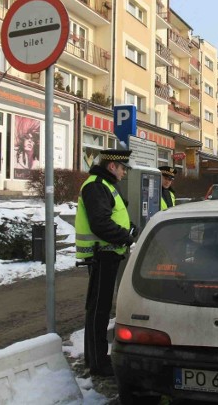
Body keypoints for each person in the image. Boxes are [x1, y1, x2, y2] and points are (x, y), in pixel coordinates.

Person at [75, 149, 136, 377]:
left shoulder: (105, 185)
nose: (124, 173)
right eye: (122, 168)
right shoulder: (96, 185)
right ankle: (98, 363)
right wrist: (126, 236)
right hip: (102, 256)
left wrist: (129, 228)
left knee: (99, 309)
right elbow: (100, 223)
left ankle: (96, 358)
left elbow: (112, 216)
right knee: (98, 310)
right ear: (112, 166)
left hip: (108, 255)